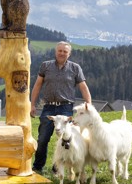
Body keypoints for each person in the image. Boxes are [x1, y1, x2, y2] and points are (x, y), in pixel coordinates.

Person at [30, 41, 91, 173]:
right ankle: (38, 167)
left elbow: (83, 87)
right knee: (43, 139)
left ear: (69, 54)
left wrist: (89, 107)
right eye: (60, 51)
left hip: (65, 108)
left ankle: (58, 167)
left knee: (65, 140)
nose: (62, 53)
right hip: (48, 108)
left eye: (65, 51)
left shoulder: (75, 68)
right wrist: (32, 104)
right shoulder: (45, 66)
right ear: (55, 52)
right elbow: (37, 85)